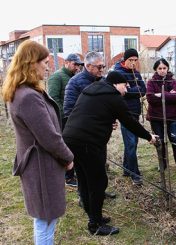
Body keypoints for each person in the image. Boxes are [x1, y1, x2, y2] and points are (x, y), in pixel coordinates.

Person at [62, 71, 157, 236]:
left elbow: (92, 114)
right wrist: (149, 136)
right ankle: (95, 225)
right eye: (124, 86)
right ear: (116, 84)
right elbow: (129, 122)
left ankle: (93, 215)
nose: (126, 90)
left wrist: (107, 120)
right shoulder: (113, 97)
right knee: (98, 182)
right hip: (88, 143)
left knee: (84, 179)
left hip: (70, 139)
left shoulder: (91, 89)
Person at [1, 40, 74, 244]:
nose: (47, 66)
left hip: (41, 164)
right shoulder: (28, 97)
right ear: (32, 63)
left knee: (45, 218)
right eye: (45, 62)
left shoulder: (25, 91)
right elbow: (49, 136)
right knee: (45, 220)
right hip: (41, 166)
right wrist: (68, 157)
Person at [63, 51, 116, 199]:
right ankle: (84, 196)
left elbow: (108, 105)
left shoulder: (103, 81)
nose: (102, 70)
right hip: (83, 136)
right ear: (87, 66)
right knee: (84, 169)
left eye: (103, 66)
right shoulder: (74, 83)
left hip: (99, 134)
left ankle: (99, 191)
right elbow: (69, 111)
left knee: (100, 164)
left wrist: (110, 120)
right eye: (98, 67)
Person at [146, 58, 176, 169]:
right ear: (156, 69)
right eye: (160, 68)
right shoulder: (151, 82)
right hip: (156, 116)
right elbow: (150, 98)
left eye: (164, 68)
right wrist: (168, 95)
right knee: (160, 141)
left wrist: (160, 95)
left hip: (171, 116)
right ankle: (163, 164)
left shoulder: (172, 82)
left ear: (168, 68)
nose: (162, 70)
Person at [48, 53, 83, 187]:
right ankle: (67, 177)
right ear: (67, 62)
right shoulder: (57, 77)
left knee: (74, 145)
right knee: (65, 146)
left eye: (79, 65)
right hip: (63, 119)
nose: (77, 68)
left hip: (74, 119)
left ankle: (74, 172)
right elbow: (53, 99)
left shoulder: (75, 77)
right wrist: (65, 116)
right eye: (75, 64)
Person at [114, 48, 146, 185]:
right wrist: (134, 90)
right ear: (124, 60)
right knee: (131, 142)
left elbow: (143, 90)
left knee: (133, 142)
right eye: (130, 60)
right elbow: (120, 92)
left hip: (135, 111)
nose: (133, 63)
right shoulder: (117, 73)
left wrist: (129, 90)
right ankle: (135, 174)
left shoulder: (137, 74)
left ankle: (127, 168)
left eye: (135, 60)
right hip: (124, 112)